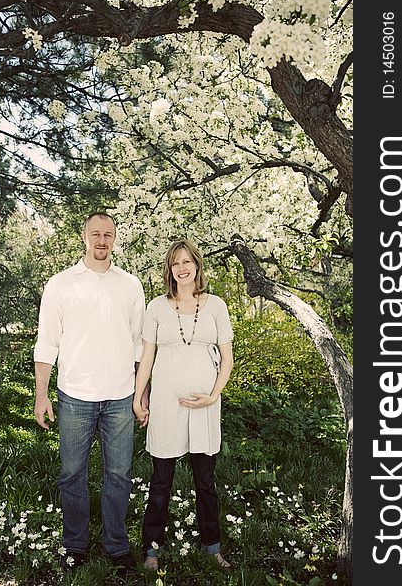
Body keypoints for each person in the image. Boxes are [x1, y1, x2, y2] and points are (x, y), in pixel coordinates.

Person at [33, 212, 145, 574]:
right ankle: (75, 545)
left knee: (119, 475)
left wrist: (142, 394)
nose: (101, 240)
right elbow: (47, 342)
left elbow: (141, 346)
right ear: (84, 236)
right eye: (95, 234)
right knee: (71, 474)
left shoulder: (130, 285)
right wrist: (41, 394)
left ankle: (117, 545)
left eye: (108, 235)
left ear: (115, 239)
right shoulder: (61, 284)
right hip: (74, 395)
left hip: (120, 396)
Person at [133, 239, 234, 571]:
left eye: (187, 261)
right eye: (175, 263)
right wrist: (139, 396)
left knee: (205, 480)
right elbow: (146, 357)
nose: (182, 267)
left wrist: (214, 394)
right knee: (161, 480)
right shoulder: (157, 308)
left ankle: (212, 547)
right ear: (169, 270)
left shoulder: (216, 305)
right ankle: (152, 549)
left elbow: (228, 360)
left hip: (205, 405)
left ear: (197, 265)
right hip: (165, 404)